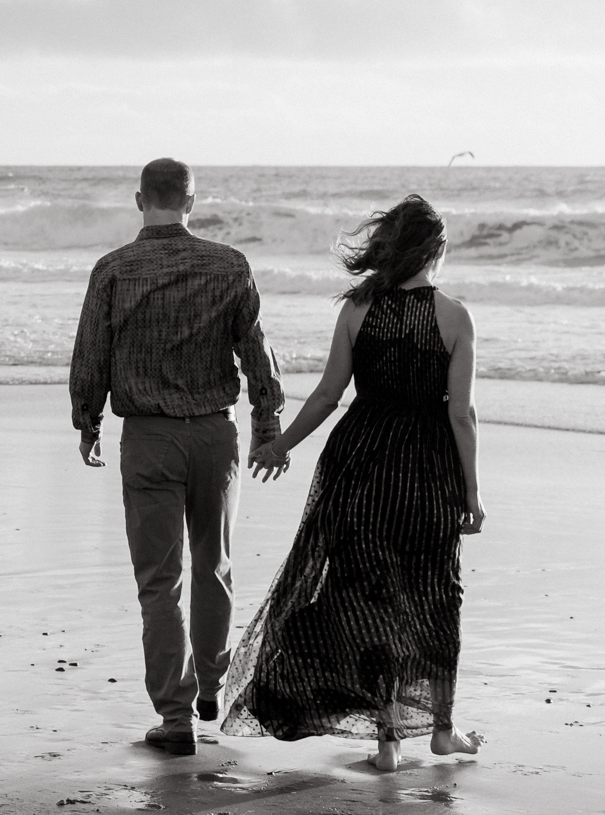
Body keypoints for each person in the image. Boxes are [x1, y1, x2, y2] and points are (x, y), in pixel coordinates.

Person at [221, 194, 485, 771]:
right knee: (437, 594)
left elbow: (327, 395)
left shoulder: (356, 311)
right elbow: (461, 415)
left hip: (359, 463)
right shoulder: (456, 316)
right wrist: (472, 494)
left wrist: (279, 444)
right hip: (427, 470)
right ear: (435, 250)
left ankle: (388, 742)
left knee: (367, 596)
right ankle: (442, 730)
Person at [70, 158, 284, 757]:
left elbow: (91, 350)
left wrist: (86, 420)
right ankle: (212, 684)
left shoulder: (113, 269)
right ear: (192, 202)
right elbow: (258, 354)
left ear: (141, 200)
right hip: (216, 437)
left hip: (148, 438)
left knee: (158, 582)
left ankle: (175, 716)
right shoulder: (229, 264)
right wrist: (267, 425)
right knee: (214, 563)